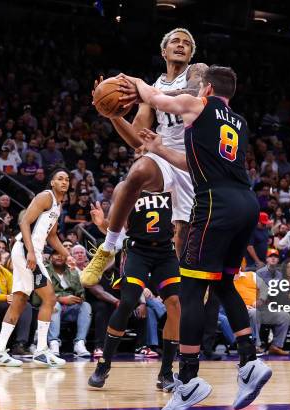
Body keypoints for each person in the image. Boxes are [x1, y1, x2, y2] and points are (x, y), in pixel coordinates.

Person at [123, 64, 272, 410]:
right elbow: (194, 162)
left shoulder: (197, 104)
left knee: (190, 290)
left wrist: (137, 82)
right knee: (222, 285)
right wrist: (159, 148)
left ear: (205, 88)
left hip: (215, 205)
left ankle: (188, 379)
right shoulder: (238, 122)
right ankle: (250, 362)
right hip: (246, 204)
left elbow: (156, 98)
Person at [81, 28, 207, 286]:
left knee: (182, 235)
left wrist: (144, 90)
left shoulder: (197, 72)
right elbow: (138, 140)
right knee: (137, 172)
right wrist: (113, 115)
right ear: (164, 51)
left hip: (195, 160)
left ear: (192, 53)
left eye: (186, 43)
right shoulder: (153, 90)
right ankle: (108, 247)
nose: (181, 45)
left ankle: (188, 288)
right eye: (175, 41)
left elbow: (193, 95)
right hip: (165, 154)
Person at [87, 183, 182, 392]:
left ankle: (166, 372)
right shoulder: (126, 186)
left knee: (174, 304)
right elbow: (114, 227)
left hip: (166, 252)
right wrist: (102, 224)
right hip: (137, 251)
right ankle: (104, 364)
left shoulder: (171, 183)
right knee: (128, 302)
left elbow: (182, 223)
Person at [0, 169, 72, 368]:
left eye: (67, 179)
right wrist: (31, 252)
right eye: (60, 178)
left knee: (19, 301)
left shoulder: (58, 205)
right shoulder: (45, 196)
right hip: (26, 251)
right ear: (52, 182)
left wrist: (68, 256)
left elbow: (52, 237)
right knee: (50, 298)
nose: (64, 182)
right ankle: (42, 350)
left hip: (27, 251)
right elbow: (24, 221)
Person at [44, 249, 91, 357]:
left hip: (70, 309)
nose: (59, 256)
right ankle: (53, 343)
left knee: (86, 306)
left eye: (62, 254)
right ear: (51, 258)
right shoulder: (45, 272)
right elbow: (38, 296)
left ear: (66, 258)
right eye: (56, 254)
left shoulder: (73, 272)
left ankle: (80, 343)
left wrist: (79, 297)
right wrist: (60, 299)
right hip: (49, 308)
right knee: (54, 305)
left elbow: (81, 292)